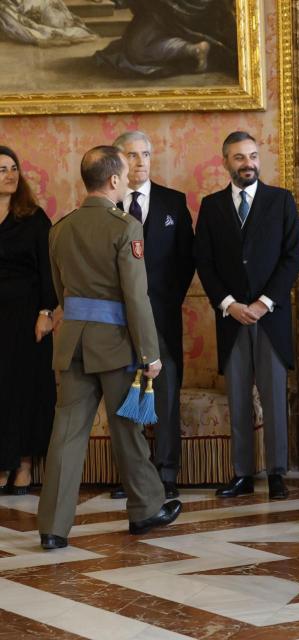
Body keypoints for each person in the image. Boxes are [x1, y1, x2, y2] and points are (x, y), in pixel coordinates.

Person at [37, 146, 181, 550]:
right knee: (127, 428)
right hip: (115, 345)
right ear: (115, 180)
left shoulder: (59, 228)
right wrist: (150, 354)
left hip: (71, 345)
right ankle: (146, 510)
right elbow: (137, 298)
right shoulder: (125, 228)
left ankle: (52, 528)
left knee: (65, 435)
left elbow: (60, 288)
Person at [195, 131, 299, 501]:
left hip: (270, 317)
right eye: (240, 158)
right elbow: (204, 263)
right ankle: (241, 473)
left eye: (253, 156)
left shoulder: (281, 201)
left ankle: (276, 473)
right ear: (225, 161)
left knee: (274, 397)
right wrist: (229, 304)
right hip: (231, 318)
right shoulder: (210, 206)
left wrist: (263, 303)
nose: (248, 164)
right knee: (238, 397)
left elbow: (292, 258)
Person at [107, 131, 195, 501]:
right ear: (119, 162)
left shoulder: (174, 202)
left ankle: (167, 470)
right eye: (133, 155)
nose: (141, 162)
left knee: (165, 391)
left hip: (162, 314)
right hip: (115, 319)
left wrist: (166, 300)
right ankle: (132, 473)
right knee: (123, 392)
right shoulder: (106, 207)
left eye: (146, 154)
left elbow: (187, 260)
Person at [0, 146, 56, 495]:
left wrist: (46, 313)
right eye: (1, 168)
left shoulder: (33, 217)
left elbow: (49, 268)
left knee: (23, 390)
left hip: (26, 317)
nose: (9, 173)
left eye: (13, 167)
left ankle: (22, 464)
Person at [94, 0, 236, 77]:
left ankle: (192, 49)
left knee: (137, 50)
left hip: (179, 11)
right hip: (166, 11)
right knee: (136, 48)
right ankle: (193, 49)